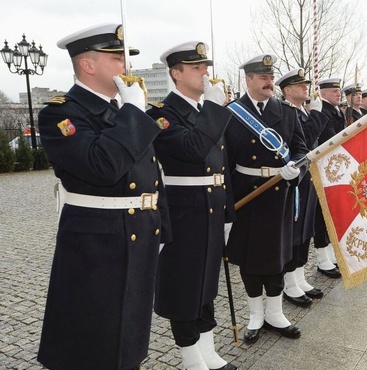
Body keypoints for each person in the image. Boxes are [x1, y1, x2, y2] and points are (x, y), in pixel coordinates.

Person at [36, 23, 170, 370]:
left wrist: (161, 226)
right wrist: (132, 113)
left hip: (139, 229)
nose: (126, 67)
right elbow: (103, 166)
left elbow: (151, 176)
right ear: (88, 65)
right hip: (97, 241)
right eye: (116, 58)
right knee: (94, 336)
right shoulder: (61, 113)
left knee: (130, 334)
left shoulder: (125, 109)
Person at [146, 41, 237, 370]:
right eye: (197, 68)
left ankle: (208, 351)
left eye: (205, 67)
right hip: (183, 211)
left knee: (206, 283)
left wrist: (228, 212)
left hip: (212, 207)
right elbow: (193, 149)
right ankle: (190, 358)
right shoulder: (161, 114)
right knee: (184, 284)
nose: (205, 73)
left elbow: (221, 164)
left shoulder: (204, 111)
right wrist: (214, 110)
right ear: (176, 73)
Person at [224, 53, 308, 344]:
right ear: (248, 80)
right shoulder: (231, 112)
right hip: (247, 196)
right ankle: (255, 315)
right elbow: (223, 160)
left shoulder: (287, 112)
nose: (270, 82)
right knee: (250, 259)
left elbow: (301, 150)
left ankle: (275, 313)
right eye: (263, 77)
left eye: (271, 77)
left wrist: (295, 169)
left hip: (278, 195)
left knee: (276, 256)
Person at [275, 68, 328, 307]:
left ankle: (299, 277)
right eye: (300, 85)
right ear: (287, 90)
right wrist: (317, 115)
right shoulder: (285, 113)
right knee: (294, 232)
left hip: (308, 178)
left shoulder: (302, 113)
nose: (306, 88)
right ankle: (289, 283)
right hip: (295, 181)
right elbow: (304, 142)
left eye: (306, 84)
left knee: (305, 231)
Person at [312, 77, 345, 279]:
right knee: (322, 215)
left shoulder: (336, 110)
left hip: (335, 168)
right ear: (323, 94)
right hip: (325, 169)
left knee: (331, 213)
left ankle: (330, 254)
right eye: (334, 91)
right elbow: (330, 139)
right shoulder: (324, 112)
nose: (338, 94)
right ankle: (322, 258)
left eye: (338, 91)